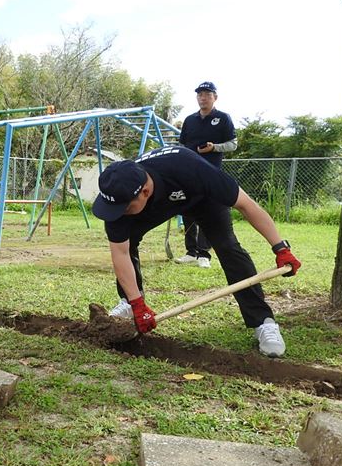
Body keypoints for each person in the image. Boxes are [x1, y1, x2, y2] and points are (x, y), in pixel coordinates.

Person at [93, 146, 300, 358]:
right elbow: (120, 253)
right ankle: (130, 303)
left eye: (123, 208)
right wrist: (137, 303)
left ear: (144, 192)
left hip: (202, 198)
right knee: (129, 241)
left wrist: (280, 248)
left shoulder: (192, 169)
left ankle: (263, 322)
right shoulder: (121, 195)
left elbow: (247, 205)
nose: (117, 213)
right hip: (153, 205)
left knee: (227, 246)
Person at [176, 81, 237, 268]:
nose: (203, 98)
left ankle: (204, 254)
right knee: (188, 209)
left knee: (207, 212)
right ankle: (191, 251)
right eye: (200, 94)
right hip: (189, 173)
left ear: (215, 97)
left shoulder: (223, 118)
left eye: (207, 94)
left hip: (211, 173)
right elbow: (182, 145)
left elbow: (233, 144)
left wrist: (214, 147)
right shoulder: (190, 120)